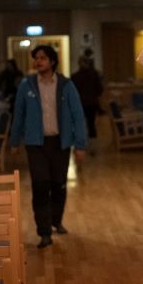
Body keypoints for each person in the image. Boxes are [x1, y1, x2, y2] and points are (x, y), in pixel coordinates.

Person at [9, 45, 88, 249]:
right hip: (36, 144)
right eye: (36, 58)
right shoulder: (26, 85)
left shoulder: (66, 85)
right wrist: (14, 141)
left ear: (52, 61)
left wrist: (80, 145)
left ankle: (56, 221)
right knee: (41, 185)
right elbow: (18, 114)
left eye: (42, 58)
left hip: (60, 143)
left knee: (58, 184)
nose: (38, 61)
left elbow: (78, 115)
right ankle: (44, 233)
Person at [70, 55, 104, 144]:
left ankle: (80, 142)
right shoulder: (94, 75)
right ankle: (93, 143)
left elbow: (72, 92)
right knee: (91, 123)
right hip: (92, 102)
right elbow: (100, 89)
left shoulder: (75, 76)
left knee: (79, 123)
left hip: (79, 103)